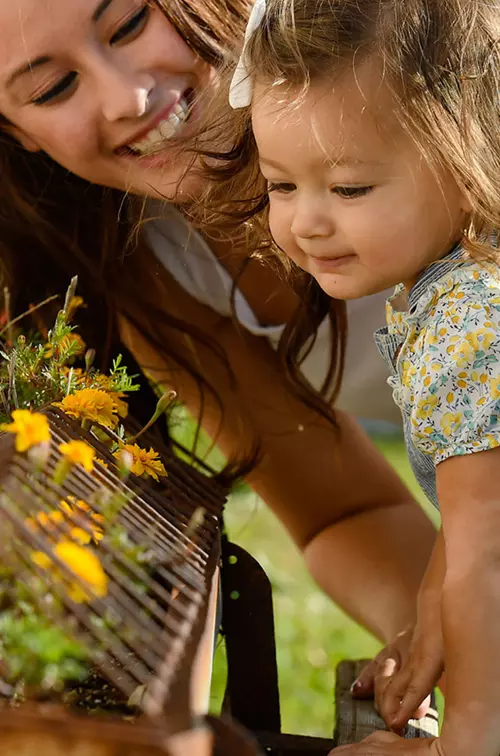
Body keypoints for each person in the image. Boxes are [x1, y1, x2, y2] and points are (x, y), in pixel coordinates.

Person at [0, 0, 435, 694]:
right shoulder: (150, 264)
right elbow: (345, 510)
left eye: (130, 23)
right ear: (14, 131)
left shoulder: (421, 73)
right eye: (53, 87)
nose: (127, 98)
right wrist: (436, 632)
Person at [212, 0, 500, 752]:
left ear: (468, 160)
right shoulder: (458, 285)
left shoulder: (471, 326)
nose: (307, 222)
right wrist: (432, 622)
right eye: (281, 185)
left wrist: (463, 742)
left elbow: (488, 559)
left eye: (348, 189)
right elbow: (477, 521)